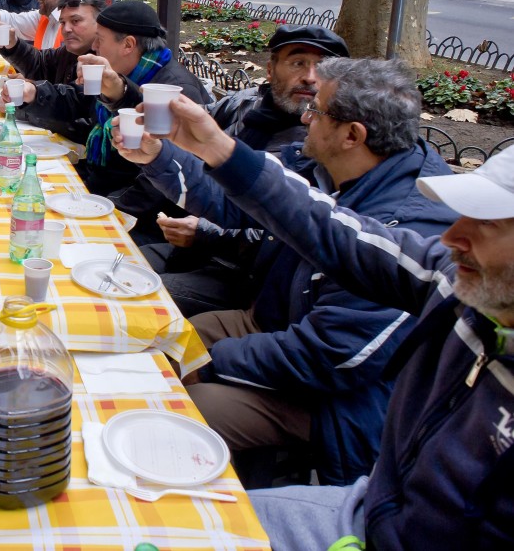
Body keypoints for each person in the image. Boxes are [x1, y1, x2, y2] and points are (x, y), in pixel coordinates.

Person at [120, 95, 514, 551]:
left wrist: (207, 360)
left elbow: (332, 354)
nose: (452, 237)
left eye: (486, 225)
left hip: (350, 438)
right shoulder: (463, 284)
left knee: (179, 438)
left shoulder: (439, 247)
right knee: (181, 527)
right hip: (373, 511)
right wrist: (220, 152)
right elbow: (332, 232)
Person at [117, 57, 458, 488]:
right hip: (275, 319)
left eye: (317, 111)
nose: (305, 117)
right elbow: (239, 203)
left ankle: (189, 507)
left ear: (353, 135)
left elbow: (332, 356)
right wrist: (161, 156)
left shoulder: (406, 222)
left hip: (338, 399)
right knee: (156, 335)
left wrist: (206, 361)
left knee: (181, 404)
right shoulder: (327, 165)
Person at [142, 24, 350, 316]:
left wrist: (205, 233)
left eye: (324, 68)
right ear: (270, 70)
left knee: (141, 302)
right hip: (194, 246)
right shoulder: (246, 104)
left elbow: (286, 231)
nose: (310, 77)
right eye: (298, 63)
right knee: (119, 264)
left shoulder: (322, 141)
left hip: (246, 276)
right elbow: (184, 137)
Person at [5, 0, 209, 202]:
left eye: (99, 40)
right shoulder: (120, 72)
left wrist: (109, 206)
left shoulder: (175, 91)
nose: (93, 47)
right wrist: (33, 93)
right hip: (99, 179)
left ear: (128, 45)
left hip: (131, 203)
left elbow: (167, 180)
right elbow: (77, 99)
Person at [0, 0, 105, 86]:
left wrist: (34, 92)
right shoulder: (67, 53)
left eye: (75, 21)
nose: (66, 29)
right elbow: (40, 63)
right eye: (62, 23)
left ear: (99, 23)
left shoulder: (106, 61)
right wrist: (12, 43)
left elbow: (72, 99)